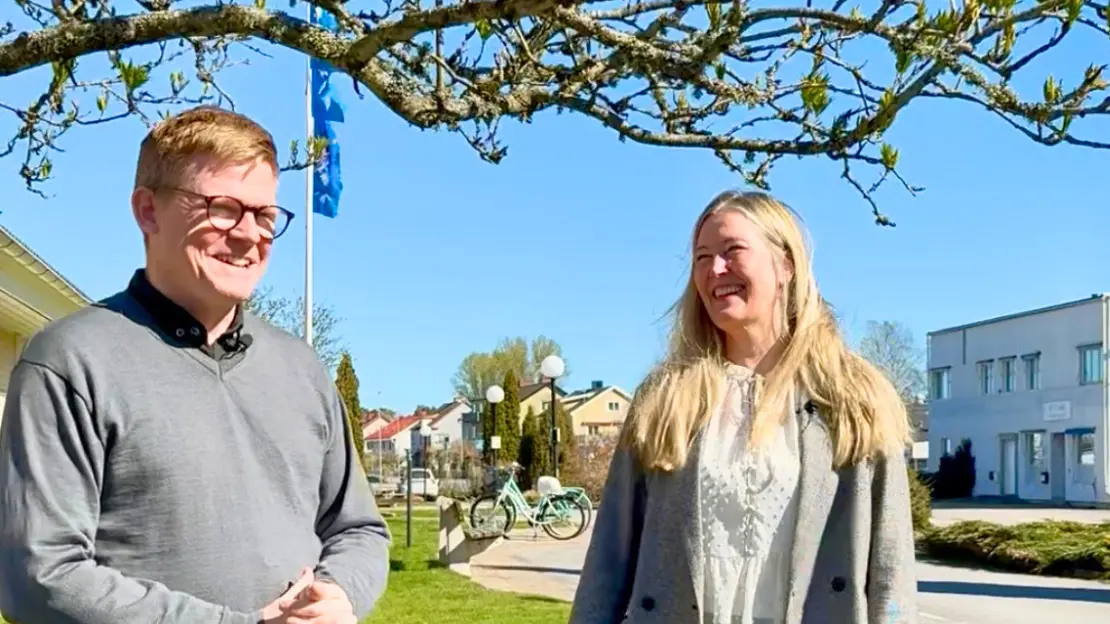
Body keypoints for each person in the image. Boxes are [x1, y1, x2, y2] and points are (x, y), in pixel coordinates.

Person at [0, 106, 390, 624]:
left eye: (266, 215)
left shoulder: (302, 369)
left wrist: (339, 594)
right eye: (224, 208)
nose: (251, 234)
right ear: (148, 210)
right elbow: (38, 575)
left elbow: (357, 529)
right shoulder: (70, 362)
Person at [569, 190, 917, 624]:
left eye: (733, 251)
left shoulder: (854, 398)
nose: (715, 270)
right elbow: (608, 562)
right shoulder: (665, 399)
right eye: (701, 258)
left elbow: (891, 569)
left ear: (785, 265)